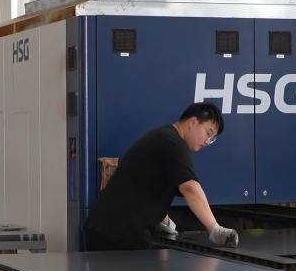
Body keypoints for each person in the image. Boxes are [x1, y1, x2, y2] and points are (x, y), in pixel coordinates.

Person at [84, 102, 240, 251]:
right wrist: (215, 229)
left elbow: (147, 185)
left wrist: (163, 219)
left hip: (108, 229)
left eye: (212, 139)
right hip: (117, 234)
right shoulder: (173, 143)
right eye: (208, 133)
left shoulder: (164, 137)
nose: (207, 141)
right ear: (193, 122)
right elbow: (190, 188)